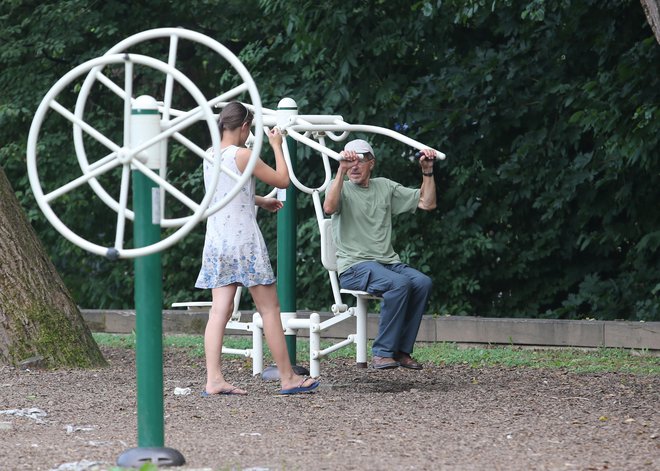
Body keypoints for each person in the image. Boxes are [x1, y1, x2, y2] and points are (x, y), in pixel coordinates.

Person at [195, 101, 319, 395]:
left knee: (219, 311)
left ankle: (213, 379)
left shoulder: (210, 155)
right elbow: (283, 181)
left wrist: (260, 200)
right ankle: (288, 377)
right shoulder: (243, 155)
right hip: (244, 242)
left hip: (217, 242)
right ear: (246, 127)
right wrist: (277, 145)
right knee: (270, 309)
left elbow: (225, 194)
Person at [323, 139, 437, 370]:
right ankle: (383, 352)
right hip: (354, 267)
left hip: (386, 263)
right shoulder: (340, 187)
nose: (354, 167)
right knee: (399, 284)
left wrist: (427, 171)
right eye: (350, 162)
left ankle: (401, 351)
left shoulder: (384, 187)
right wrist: (340, 171)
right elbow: (329, 208)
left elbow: (427, 203)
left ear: (371, 164)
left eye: (360, 161)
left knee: (423, 283)